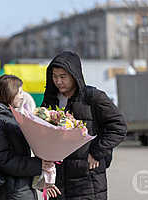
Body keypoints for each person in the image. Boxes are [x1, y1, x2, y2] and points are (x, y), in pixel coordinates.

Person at [41, 51, 127, 200]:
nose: (58, 81)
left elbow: (118, 127)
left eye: (63, 77)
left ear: (74, 75)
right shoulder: (50, 100)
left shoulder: (93, 97)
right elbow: (40, 132)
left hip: (87, 180)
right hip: (58, 180)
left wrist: (96, 152)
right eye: (54, 76)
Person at [0, 75, 58, 200]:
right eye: (20, 92)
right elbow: (3, 160)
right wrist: (38, 165)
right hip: (11, 191)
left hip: (17, 188)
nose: (22, 96)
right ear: (10, 93)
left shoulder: (7, 116)